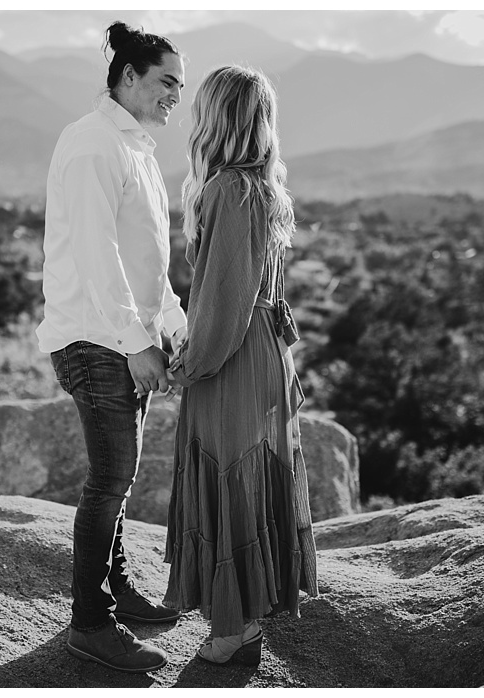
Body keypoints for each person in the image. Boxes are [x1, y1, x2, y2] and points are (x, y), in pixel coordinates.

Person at [37, 22, 188, 674]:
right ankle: (90, 623)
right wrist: (135, 344)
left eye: (179, 87)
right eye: (165, 82)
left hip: (121, 338)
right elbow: (99, 261)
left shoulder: (138, 149)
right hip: (94, 339)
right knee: (110, 480)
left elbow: (149, 264)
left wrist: (175, 330)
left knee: (117, 479)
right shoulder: (94, 145)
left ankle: (118, 590)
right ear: (128, 75)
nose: (174, 96)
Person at [162, 65, 318, 665]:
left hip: (232, 359)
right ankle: (245, 623)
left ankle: (230, 632)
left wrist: (187, 365)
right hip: (263, 357)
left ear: (217, 117)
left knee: (228, 477)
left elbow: (223, 304)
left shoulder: (228, 189)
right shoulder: (264, 188)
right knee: (250, 478)